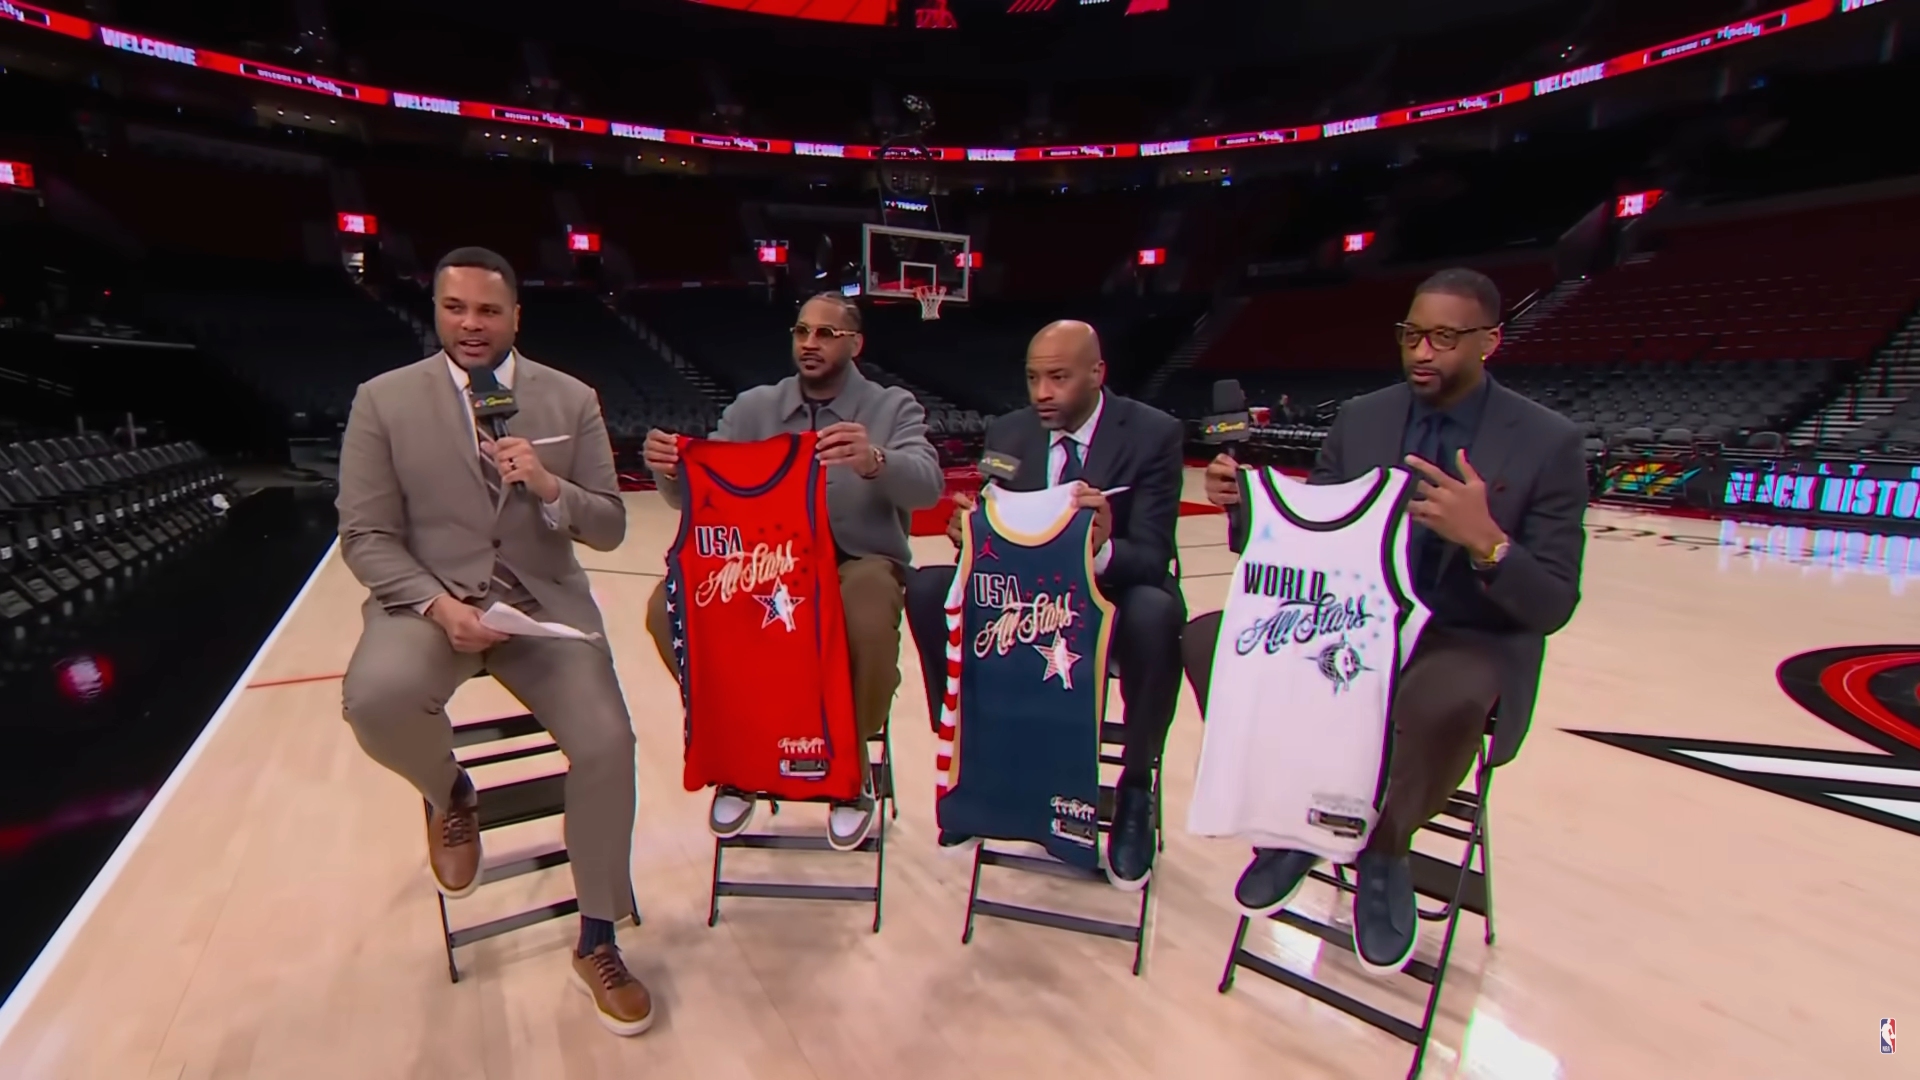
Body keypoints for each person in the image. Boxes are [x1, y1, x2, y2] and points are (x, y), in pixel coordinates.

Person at [1186, 267, 1587, 973]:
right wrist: (1243, 508)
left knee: (1443, 698)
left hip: (1467, 633)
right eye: (1411, 335)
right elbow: (1314, 541)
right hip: (1353, 620)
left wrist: (1488, 543)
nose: (1422, 352)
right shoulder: (1363, 419)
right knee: (1206, 639)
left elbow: (1553, 602)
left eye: (1444, 338)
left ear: (1490, 341)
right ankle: (1301, 816)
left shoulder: (1547, 442)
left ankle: (1382, 845)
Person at [336, 247, 651, 1036]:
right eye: (455, 308)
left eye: (487, 310)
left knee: (609, 743)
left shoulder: (570, 398)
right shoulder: (383, 400)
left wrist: (550, 487)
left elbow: (611, 526)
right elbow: (365, 536)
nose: (471, 324)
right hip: (430, 602)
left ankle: (598, 938)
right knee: (374, 699)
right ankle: (451, 793)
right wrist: (437, 605)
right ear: (436, 312)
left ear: (516, 316)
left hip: (540, 608)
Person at [641, 291, 943, 850]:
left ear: (855, 344)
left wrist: (874, 460)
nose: (810, 342)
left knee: (868, 615)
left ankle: (847, 765)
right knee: (666, 608)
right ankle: (743, 748)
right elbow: (697, 492)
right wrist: (668, 469)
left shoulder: (891, 407)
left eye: (826, 333)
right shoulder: (753, 408)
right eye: (802, 331)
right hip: (765, 566)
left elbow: (928, 487)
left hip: (856, 559)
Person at [904, 320, 1185, 889]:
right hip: (1027, 595)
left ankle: (1135, 788)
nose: (1042, 393)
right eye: (1033, 378)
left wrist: (1099, 547)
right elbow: (995, 522)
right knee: (929, 589)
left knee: (1156, 614)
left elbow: (1153, 555)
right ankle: (972, 763)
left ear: (1097, 374)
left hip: (1113, 591)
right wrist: (972, 533)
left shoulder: (1154, 433)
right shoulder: (1010, 431)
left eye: (1058, 378)